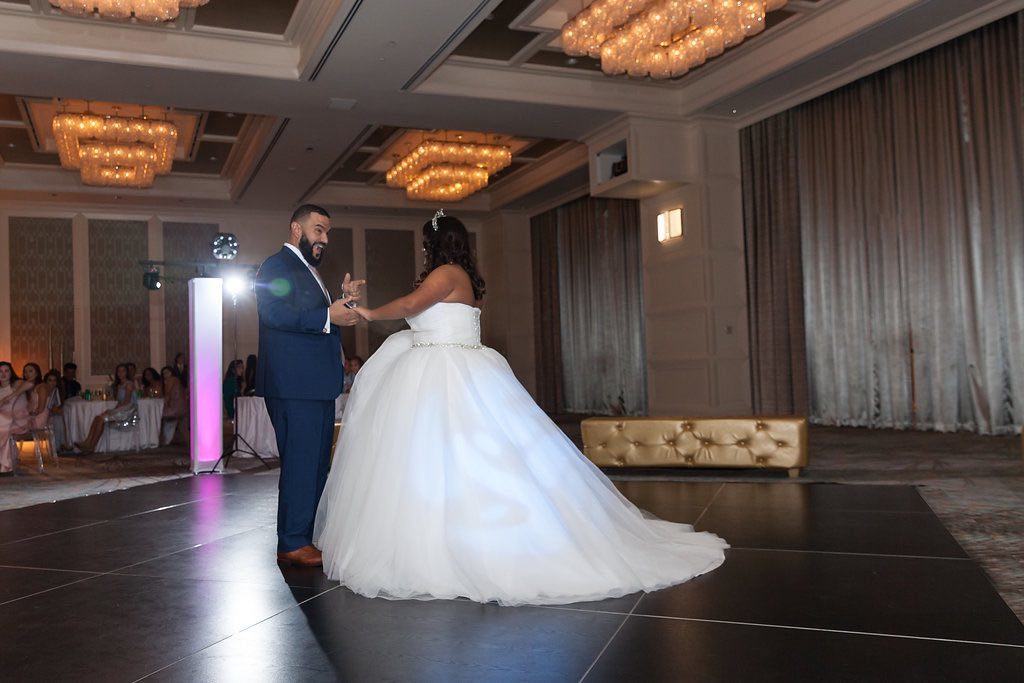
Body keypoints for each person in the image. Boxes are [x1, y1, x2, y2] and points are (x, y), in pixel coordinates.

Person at [314, 211, 727, 606]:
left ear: (437, 244)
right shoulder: (460, 276)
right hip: (445, 367)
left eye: (427, 242)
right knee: (446, 460)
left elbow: (407, 307)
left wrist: (365, 311)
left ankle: (463, 544)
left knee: (459, 458)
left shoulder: (446, 274)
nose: (424, 250)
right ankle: (446, 536)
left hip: (446, 371)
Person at [256, 204, 364, 568]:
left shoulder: (308, 271)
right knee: (302, 463)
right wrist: (326, 315)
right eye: (319, 230)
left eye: (327, 233)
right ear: (296, 230)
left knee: (317, 463)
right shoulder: (276, 266)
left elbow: (316, 320)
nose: (325, 240)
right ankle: (291, 541)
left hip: (314, 384)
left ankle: (306, 535)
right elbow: (274, 313)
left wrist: (343, 305)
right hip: (293, 383)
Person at [75, 363, 137, 454]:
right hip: (122, 409)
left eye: (123, 371)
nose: (120, 373)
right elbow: (120, 402)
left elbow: (126, 402)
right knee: (97, 417)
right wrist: (112, 410)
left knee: (101, 419)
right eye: (119, 371)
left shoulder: (129, 384)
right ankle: (87, 443)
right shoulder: (120, 385)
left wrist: (113, 411)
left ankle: (91, 446)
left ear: (126, 372)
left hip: (128, 412)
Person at [0, 361, 31, 475]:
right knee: (2, 424)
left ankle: (5, 466)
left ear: (11, 373)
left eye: (6, 371)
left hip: (18, 419)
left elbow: (30, 384)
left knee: (3, 424)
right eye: (0, 371)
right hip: (4, 420)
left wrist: (10, 396)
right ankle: (4, 464)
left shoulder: (16, 384)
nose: (3, 374)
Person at [160, 366, 187, 445]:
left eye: (167, 372)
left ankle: (166, 440)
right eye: (164, 373)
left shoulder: (172, 379)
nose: (165, 374)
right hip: (180, 405)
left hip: (175, 406)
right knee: (182, 427)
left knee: (160, 416)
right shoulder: (174, 380)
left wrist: (166, 403)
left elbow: (168, 393)